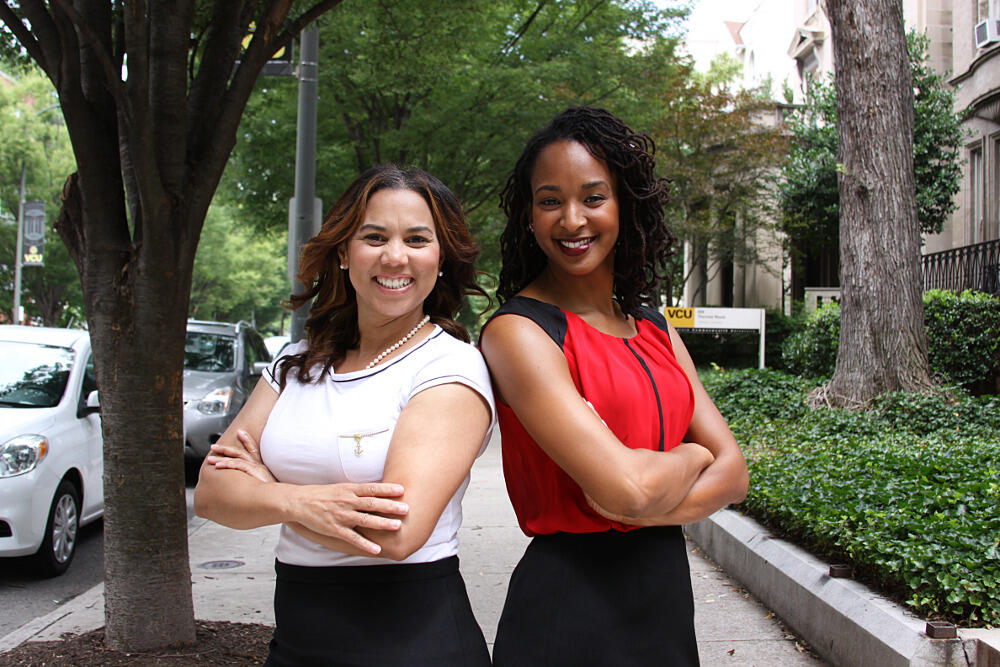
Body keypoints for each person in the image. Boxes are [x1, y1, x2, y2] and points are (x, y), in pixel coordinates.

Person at [193, 164, 495, 667]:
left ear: (441, 259)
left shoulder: (450, 366)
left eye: (417, 239)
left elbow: (395, 533)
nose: (395, 256)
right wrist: (298, 503)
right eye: (374, 236)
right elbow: (210, 493)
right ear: (342, 253)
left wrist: (266, 494)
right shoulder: (297, 361)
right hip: (296, 640)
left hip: (413, 643)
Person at [480, 106, 750, 666]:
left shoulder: (653, 325)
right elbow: (631, 489)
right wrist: (694, 455)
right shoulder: (520, 333)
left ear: (625, 206)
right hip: (569, 613)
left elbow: (735, 475)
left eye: (593, 197)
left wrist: (641, 498)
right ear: (529, 217)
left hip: (665, 603)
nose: (572, 220)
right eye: (550, 200)